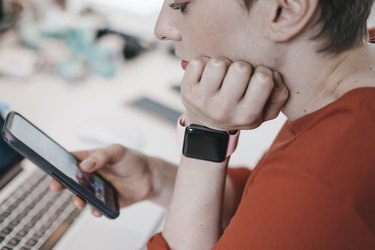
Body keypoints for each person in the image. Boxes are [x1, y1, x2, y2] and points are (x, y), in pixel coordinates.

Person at [50, 0, 375, 249]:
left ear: (284, 11)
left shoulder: (321, 177)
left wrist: (205, 136)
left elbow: (304, 198)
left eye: (182, 5)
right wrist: (160, 181)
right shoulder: (352, 88)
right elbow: (270, 206)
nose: (162, 29)